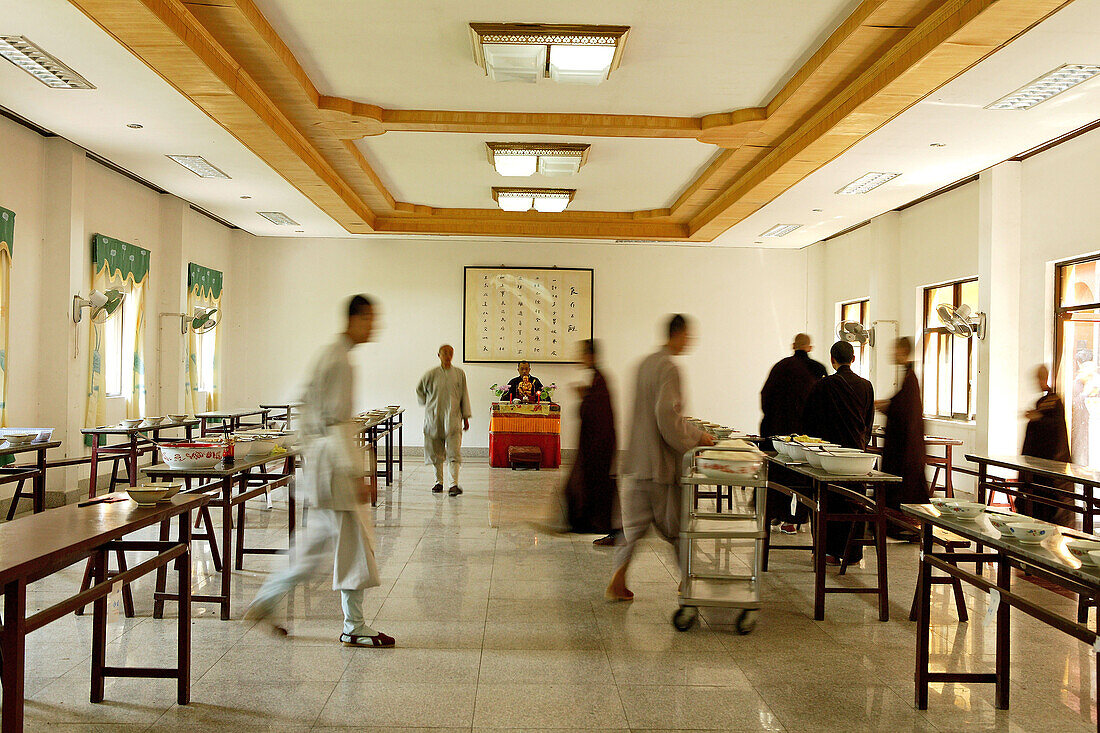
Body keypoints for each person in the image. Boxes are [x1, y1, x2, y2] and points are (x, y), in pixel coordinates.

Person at [246, 295, 394, 648]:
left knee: (316, 547)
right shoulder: (341, 361)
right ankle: (353, 626)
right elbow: (336, 421)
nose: (374, 327)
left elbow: (310, 408)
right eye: (371, 319)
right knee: (355, 547)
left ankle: (266, 600)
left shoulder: (332, 354)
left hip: (323, 465)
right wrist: (356, 475)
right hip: (335, 468)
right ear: (356, 319)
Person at [606, 314, 714, 602]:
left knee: (633, 528)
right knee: (677, 527)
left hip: (638, 460)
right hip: (659, 465)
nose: (690, 342)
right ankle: (688, 581)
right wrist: (696, 437)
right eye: (688, 336)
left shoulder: (644, 363)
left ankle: (618, 578)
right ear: (677, 334)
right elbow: (667, 417)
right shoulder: (669, 367)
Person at [803, 340, 875, 565]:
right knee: (855, 502)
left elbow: (810, 421)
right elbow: (868, 422)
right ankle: (853, 554)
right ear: (853, 359)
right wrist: (861, 445)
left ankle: (828, 552)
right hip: (856, 455)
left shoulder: (823, 385)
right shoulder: (866, 385)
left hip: (829, 456)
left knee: (828, 501)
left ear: (832, 360)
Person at [760, 333, 826, 534]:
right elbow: (820, 402)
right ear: (810, 348)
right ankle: (791, 520)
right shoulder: (817, 369)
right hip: (802, 434)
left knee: (777, 474)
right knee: (798, 477)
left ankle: (772, 513)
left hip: (775, 431)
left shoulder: (780, 367)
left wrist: (772, 420)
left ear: (793, 345)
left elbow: (765, 396)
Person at [562, 339, 620, 546]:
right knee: (586, 485)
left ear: (591, 356)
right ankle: (600, 526)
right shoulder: (597, 379)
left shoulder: (600, 380)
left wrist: (583, 398)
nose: (580, 358)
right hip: (595, 444)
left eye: (583, 354)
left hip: (599, 445)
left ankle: (605, 527)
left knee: (595, 487)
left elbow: (596, 413)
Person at [875, 337, 928, 540]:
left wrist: (888, 406)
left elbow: (906, 411)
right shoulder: (907, 377)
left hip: (907, 447)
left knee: (907, 487)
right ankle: (895, 524)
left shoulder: (911, 378)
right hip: (902, 444)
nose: (893, 354)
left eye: (896, 350)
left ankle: (907, 525)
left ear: (904, 352)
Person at [1020, 365, 1075, 527]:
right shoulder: (1042, 402)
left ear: (1045, 378)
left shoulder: (1055, 401)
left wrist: (1038, 418)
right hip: (1037, 463)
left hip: (1051, 466)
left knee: (1049, 505)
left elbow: (1055, 429)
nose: (1037, 382)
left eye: (1039, 378)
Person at [417, 344, 471, 496]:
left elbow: (464, 395)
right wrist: (427, 403)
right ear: (438, 355)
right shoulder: (431, 374)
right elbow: (419, 390)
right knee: (436, 452)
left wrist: (465, 417)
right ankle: (438, 482)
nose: (447, 356)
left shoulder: (459, 373)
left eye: (450, 353)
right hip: (434, 418)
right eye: (444, 353)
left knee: (454, 451)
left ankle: (454, 484)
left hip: (453, 418)